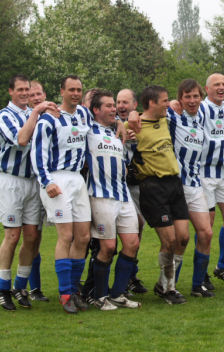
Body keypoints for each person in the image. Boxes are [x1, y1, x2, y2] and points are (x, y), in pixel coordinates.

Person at [0, 75, 57, 310]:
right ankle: (4, 288)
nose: (24, 94)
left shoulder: (36, 115)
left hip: (33, 182)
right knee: (12, 235)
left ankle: (21, 287)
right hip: (10, 181)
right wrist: (36, 113)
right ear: (11, 91)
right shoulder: (5, 116)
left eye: (26, 90)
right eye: (19, 89)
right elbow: (21, 139)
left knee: (32, 236)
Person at [31, 75, 92, 314]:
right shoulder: (48, 119)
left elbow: (101, 123)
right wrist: (46, 182)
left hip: (78, 179)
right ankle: (65, 293)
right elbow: (38, 154)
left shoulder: (84, 115)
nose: (76, 93)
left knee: (83, 237)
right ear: (62, 92)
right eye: (71, 90)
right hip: (57, 179)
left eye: (79, 90)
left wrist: (120, 123)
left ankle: (74, 290)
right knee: (66, 236)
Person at [128, 85, 189, 304]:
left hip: (175, 183)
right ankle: (168, 288)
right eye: (164, 101)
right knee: (169, 240)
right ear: (151, 103)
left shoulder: (167, 119)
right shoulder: (134, 125)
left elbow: (183, 105)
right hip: (153, 186)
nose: (167, 103)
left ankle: (163, 283)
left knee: (183, 237)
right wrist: (132, 115)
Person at [86, 89, 141, 310]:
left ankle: (117, 293)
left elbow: (126, 161)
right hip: (100, 195)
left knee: (132, 243)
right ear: (96, 110)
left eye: (114, 105)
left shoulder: (119, 132)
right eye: (108, 106)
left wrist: (127, 136)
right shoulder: (87, 129)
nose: (114, 109)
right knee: (108, 247)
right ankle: (99, 296)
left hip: (123, 194)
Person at [167, 79, 215, 297]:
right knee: (180, 239)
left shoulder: (204, 116)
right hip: (176, 185)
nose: (192, 100)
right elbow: (147, 114)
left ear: (201, 98)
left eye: (196, 96)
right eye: (187, 97)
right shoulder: (173, 116)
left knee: (205, 233)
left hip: (195, 184)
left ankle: (198, 285)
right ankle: (169, 286)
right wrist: (168, 104)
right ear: (180, 99)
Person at [197, 73, 224, 289]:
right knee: (207, 227)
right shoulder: (201, 108)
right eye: (216, 85)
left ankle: (223, 266)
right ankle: (201, 273)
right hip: (204, 174)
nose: (221, 87)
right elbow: (178, 109)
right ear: (207, 89)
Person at [116, 88, 148, 295]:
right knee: (129, 227)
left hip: (136, 183)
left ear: (135, 105)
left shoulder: (142, 124)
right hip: (117, 184)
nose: (120, 106)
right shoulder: (110, 124)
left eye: (125, 102)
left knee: (139, 226)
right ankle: (122, 278)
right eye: (118, 102)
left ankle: (131, 274)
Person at [25, 80, 50, 302]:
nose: (36, 98)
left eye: (39, 93)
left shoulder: (53, 116)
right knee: (31, 237)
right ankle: (30, 287)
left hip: (53, 182)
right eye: (31, 95)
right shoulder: (27, 118)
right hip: (31, 183)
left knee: (40, 236)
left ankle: (74, 287)